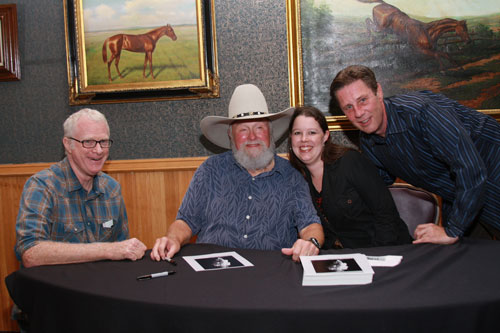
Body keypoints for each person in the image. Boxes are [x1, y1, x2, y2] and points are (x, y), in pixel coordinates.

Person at [150, 84, 324, 262]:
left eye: (259, 128)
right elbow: (186, 221)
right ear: (230, 135)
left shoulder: (291, 176)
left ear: (270, 133)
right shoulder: (210, 170)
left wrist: (311, 242)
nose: (252, 137)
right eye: (243, 129)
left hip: (271, 275)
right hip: (211, 271)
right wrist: (173, 239)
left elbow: (310, 224)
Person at [329, 65, 500, 245]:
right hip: (463, 200)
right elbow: (374, 185)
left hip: (491, 179)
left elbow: (470, 168)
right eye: (348, 107)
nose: (358, 113)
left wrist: (453, 230)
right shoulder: (369, 141)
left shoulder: (421, 113)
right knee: (468, 265)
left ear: (378, 92)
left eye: (363, 100)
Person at [15, 108, 147, 268]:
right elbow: (30, 253)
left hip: (102, 286)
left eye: (103, 142)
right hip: (56, 289)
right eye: (88, 142)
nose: (98, 150)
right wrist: (106, 250)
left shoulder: (112, 189)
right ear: (68, 144)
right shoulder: (41, 186)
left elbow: (122, 250)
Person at [287, 106, 412, 249]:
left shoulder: (350, 162)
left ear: (325, 136)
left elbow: (386, 214)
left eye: (312, 132)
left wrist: (378, 257)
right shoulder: (295, 177)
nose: (304, 139)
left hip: (386, 251)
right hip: (341, 259)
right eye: (297, 133)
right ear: (291, 138)